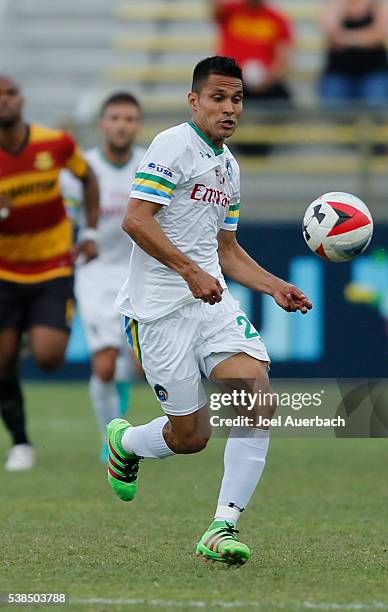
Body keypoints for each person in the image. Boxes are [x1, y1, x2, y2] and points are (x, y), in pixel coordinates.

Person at [106, 56, 312, 565]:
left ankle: (222, 525)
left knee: (257, 395)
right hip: (158, 313)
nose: (229, 108)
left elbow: (225, 250)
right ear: (194, 100)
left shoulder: (229, 166)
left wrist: (273, 286)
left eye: (237, 98)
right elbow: (136, 220)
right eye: (218, 97)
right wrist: (187, 272)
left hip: (211, 303)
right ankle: (128, 443)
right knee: (190, 436)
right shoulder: (174, 144)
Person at [0, 76, 99, 471]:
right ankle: (21, 443)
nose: (4, 101)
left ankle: (27, 333)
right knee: (2, 363)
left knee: (49, 357)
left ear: (21, 99)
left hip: (52, 264)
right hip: (4, 270)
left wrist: (88, 231)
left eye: (9, 94)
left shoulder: (54, 143)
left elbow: (87, 178)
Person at [61, 93, 145, 461]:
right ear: (102, 124)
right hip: (94, 274)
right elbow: (64, 222)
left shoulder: (149, 166)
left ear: (137, 125)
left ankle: (119, 418)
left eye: (129, 118)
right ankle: (110, 442)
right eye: (115, 117)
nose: (121, 125)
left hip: (139, 272)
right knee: (106, 363)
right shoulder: (80, 171)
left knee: (141, 366)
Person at [212, 0, 295, 154]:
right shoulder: (232, 12)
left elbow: (283, 58)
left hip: (267, 80)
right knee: (218, 99)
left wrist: (267, 80)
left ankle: (266, 143)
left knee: (285, 101)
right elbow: (215, 8)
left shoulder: (277, 19)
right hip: (233, 79)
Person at [319, 0, 388, 108]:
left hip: (375, 73)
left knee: (376, 103)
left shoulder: (377, 5)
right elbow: (332, 35)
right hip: (339, 74)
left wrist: (345, 38)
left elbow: (379, 35)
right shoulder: (334, 5)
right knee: (334, 106)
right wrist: (367, 37)